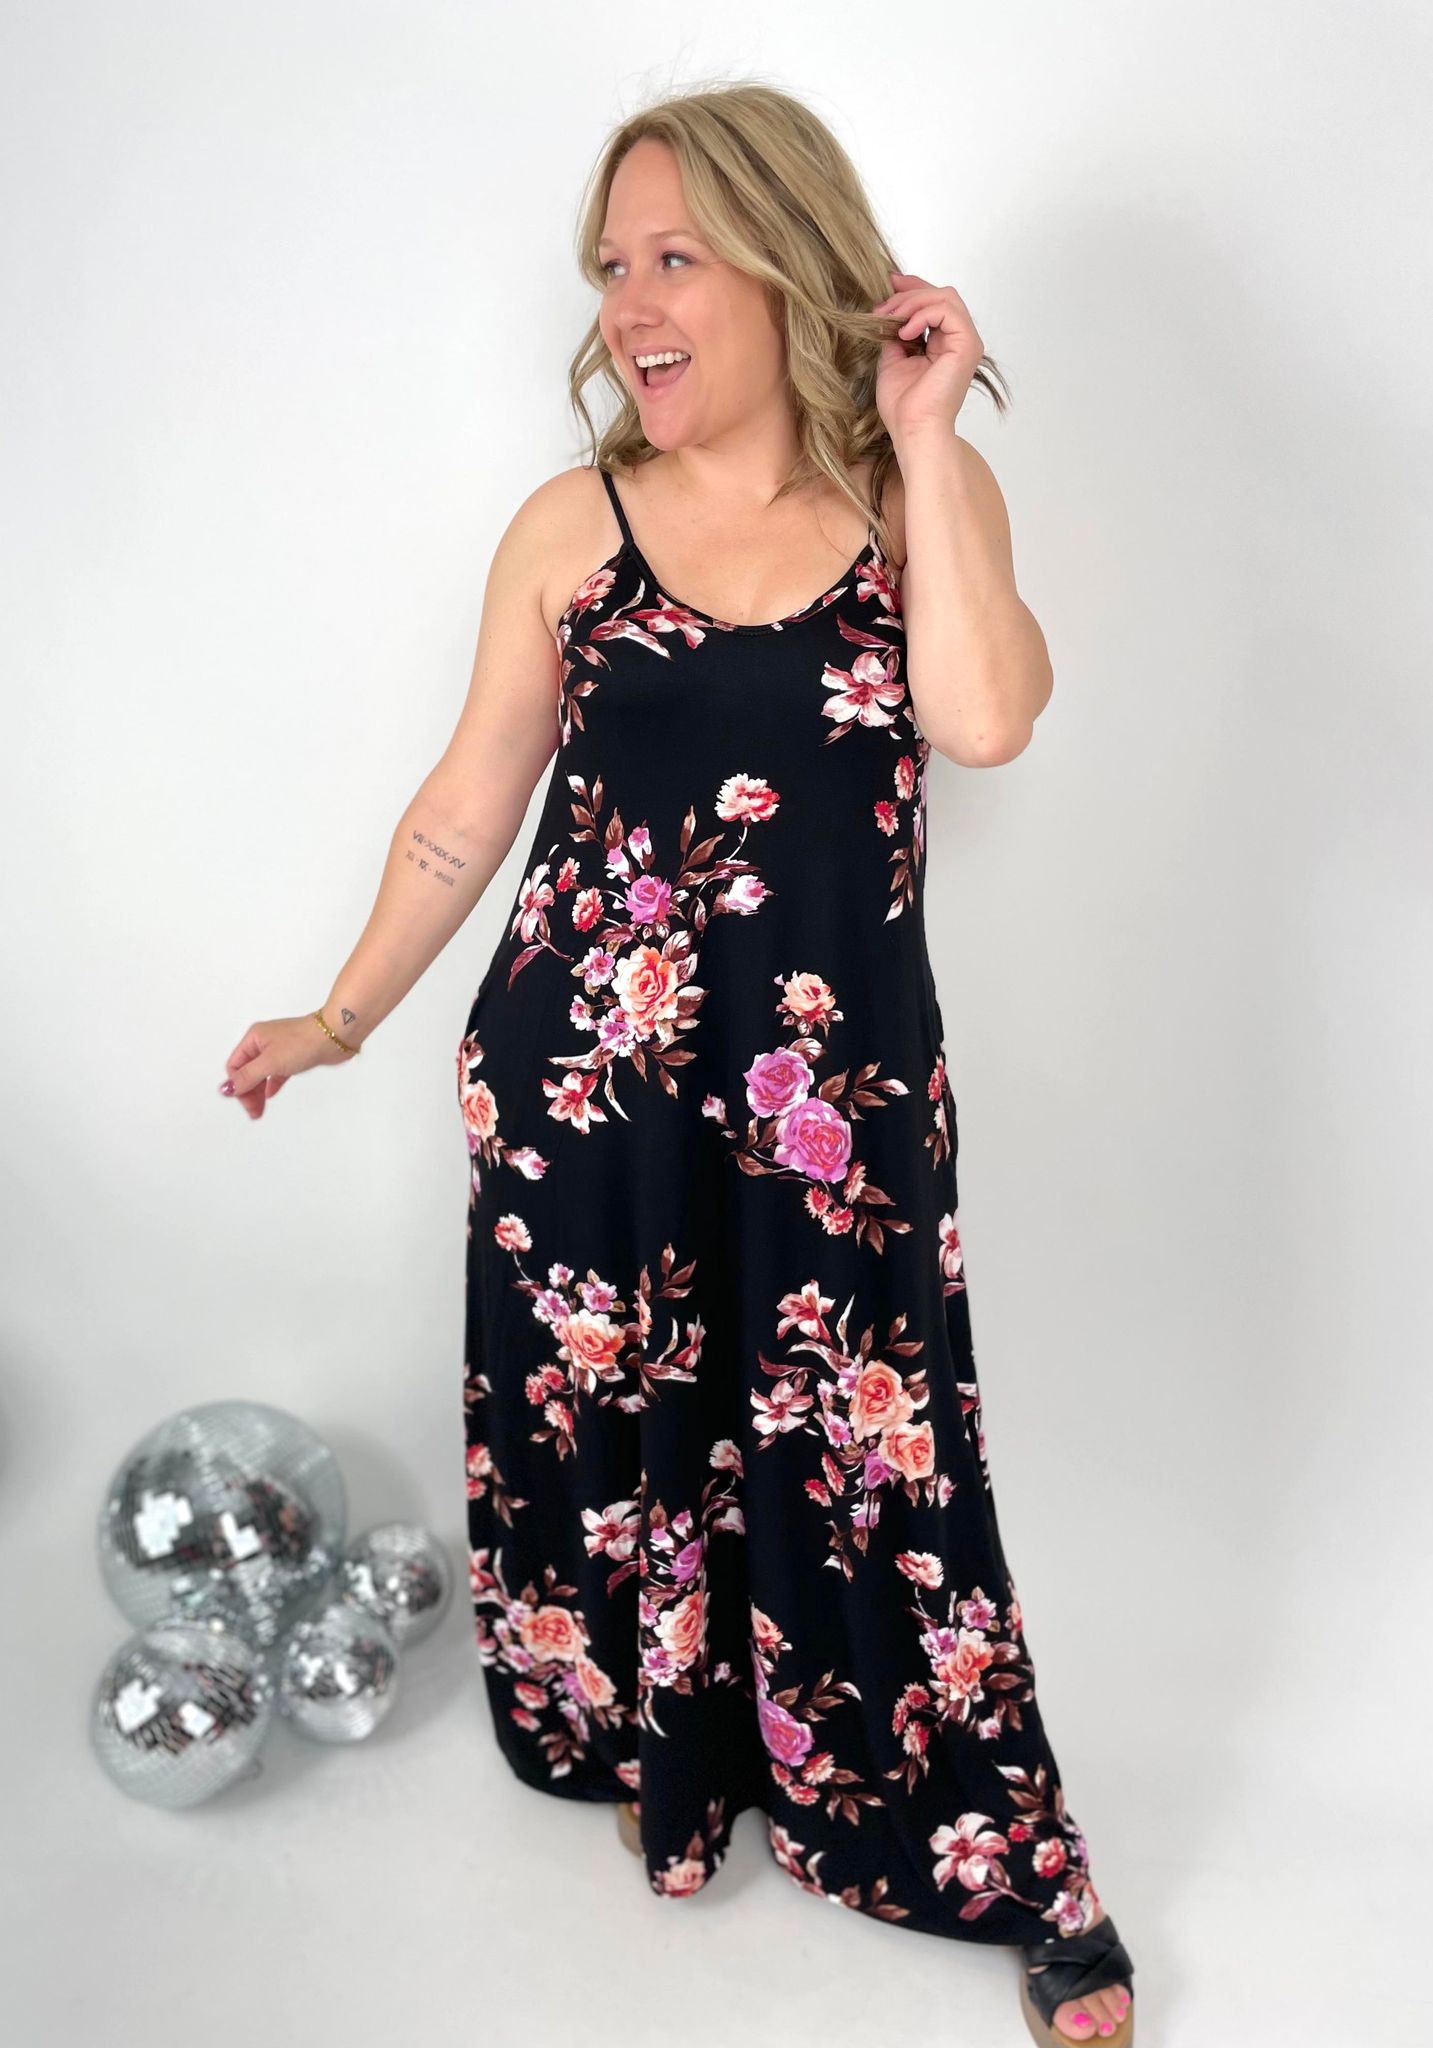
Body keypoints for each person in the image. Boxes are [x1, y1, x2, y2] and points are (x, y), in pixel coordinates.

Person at [219, 81, 1135, 2048]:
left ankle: (988, 1842)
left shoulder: (908, 500)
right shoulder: (574, 527)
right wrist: (343, 1013)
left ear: (785, 264)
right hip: (588, 1099)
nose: (630, 304)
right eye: (610, 266)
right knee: (630, 1441)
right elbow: (468, 807)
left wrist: (926, 434)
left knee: (876, 1458)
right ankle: (681, 1751)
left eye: (673, 257)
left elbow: (987, 719)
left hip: (833, 1114)